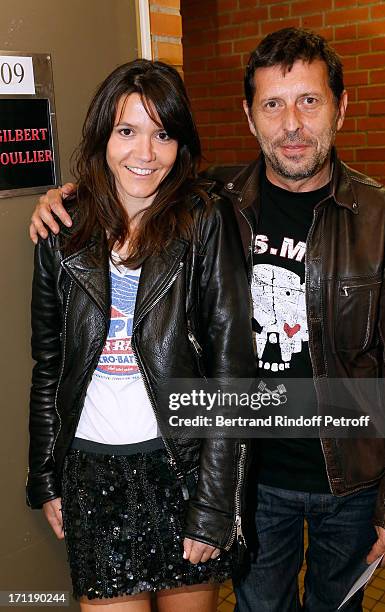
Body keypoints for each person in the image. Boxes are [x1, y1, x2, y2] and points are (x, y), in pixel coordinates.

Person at [29, 28, 385, 612]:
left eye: (309, 101)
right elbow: (135, 177)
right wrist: (62, 199)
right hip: (252, 476)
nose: (292, 125)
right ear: (250, 117)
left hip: (351, 479)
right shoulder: (214, 200)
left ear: (341, 106)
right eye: (272, 105)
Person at [27, 58, 257, 612]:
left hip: (179, 469)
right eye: (127, 131)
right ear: (104, 134)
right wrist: (45, 476)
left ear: (181, 143)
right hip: (91, 473)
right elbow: (49, 364)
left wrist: (214, 504)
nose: (145, 154)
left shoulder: (206, 220)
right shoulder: (61, 230)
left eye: (163, 134)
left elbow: (232, 373)